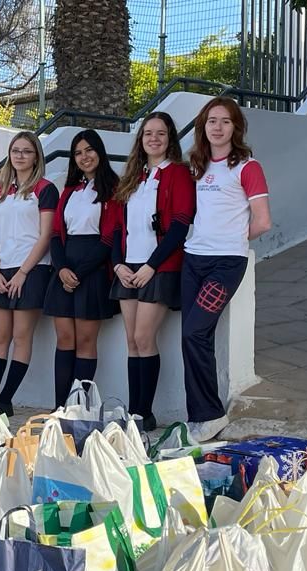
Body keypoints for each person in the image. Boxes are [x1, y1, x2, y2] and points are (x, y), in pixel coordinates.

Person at [183, 97, 271, 441]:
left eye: (225, 121)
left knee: (195, 332)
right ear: (203, 127)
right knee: (188, 337)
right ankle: (200, 416)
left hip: (225, 263)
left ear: (236, 127)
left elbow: (262, 221)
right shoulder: (198, 166)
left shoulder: (248, 167)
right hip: (193, 259)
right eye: (211, 121)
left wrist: (232, 238)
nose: (217, 127)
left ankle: (211, 414)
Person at [111, 112, 196, 431]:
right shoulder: (133, 177)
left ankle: (145, 413)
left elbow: (179, 225)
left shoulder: (177, 173)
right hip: (128, 267)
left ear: (170, 139)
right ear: (141, 139)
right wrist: (118, 264)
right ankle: (135, 413)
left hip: (159, 267)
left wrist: (151, 266)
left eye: (161, 133)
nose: (154, 138)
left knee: (145, 337)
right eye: (148, 133)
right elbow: (118, 227)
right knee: (131, 341)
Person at [44, 129, 121, 409]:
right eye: (78, 152)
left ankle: (79, 408)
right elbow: (55, 233)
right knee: (64, 339)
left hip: (94, 270)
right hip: (65, 268)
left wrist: (81, 273)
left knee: (86, 341)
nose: (84, 156)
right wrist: (62, 268)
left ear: (99, 152)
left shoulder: (113, 188)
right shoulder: (69, 190)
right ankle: (59, 407)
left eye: (89, 150)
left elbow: (109, 237)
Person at [0, 131, 57, 415]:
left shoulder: (45, 188)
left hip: (31, 270)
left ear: (36, 155)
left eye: (27, 151)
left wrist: (23, 273)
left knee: (22, 337)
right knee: (0, 337)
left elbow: (45, 234)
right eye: (16, 151)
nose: (20, 156)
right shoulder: (1, 192)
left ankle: (5, 400)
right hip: (2, 271)